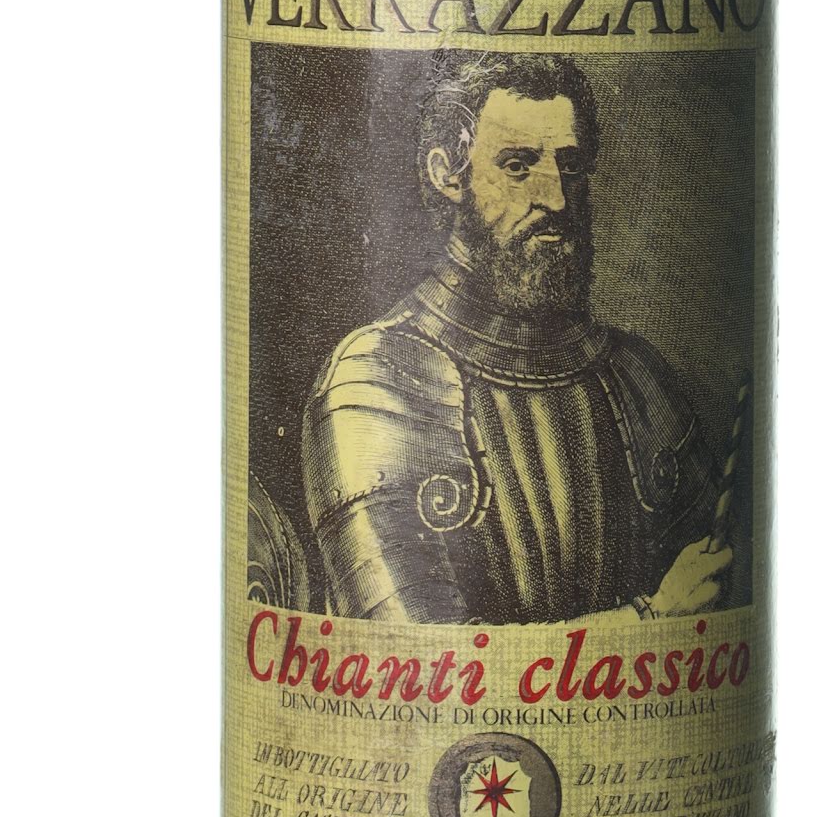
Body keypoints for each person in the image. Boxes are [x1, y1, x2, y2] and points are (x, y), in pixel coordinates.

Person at [302, 53, 735, 626]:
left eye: (570, 166)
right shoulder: (378, 377)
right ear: (447, 174)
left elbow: (722, 585)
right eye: (518, 165)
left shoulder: (636, 378)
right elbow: (409, 645)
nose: (556, 199)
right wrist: (652, 617)